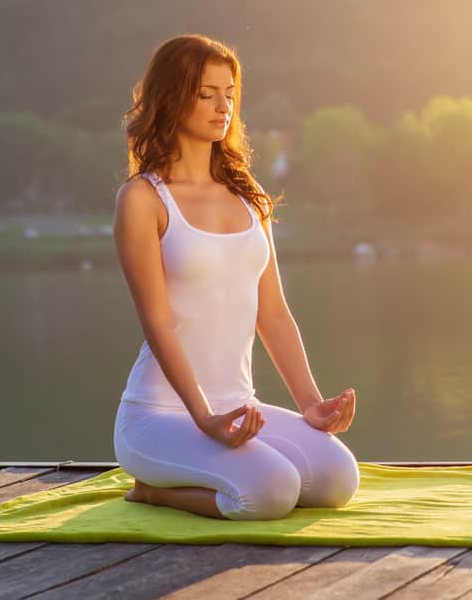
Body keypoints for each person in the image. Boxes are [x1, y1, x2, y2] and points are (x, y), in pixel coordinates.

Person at [111, 34, 359, 520]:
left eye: (229, 93)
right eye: (206, 93)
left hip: (241, 407)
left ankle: (212, 467)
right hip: (159, 416)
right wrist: (204, 418)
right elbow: (157, 324)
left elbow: (273, 311)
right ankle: (152, 489)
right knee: (271, 492)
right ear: (171, 97)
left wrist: (310, 405)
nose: (222, 105)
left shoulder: (249, 197)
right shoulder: (143, 199)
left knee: (337, 480)